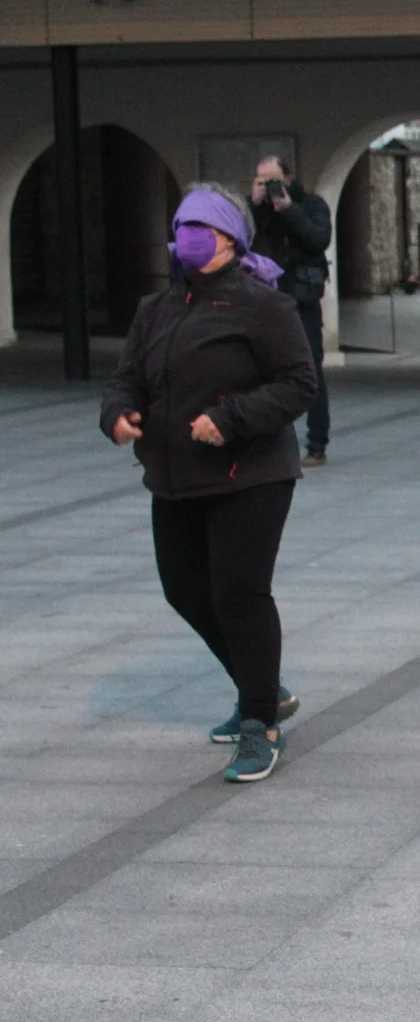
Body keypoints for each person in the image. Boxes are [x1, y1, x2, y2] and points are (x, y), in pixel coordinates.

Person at [101, 184, 318, 783]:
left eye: (206, 229)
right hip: (174, 476)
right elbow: (126, 379)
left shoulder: (264, 306)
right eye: (184, 228)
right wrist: (117, 413)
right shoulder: (157, 309)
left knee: (239, 595)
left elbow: (300, 383)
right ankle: (263, 687)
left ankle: (259, 723)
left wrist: (231, 418)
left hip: (251, 474)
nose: (191, 239)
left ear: (232, 239)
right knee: (184, 590)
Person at [249, 156, 332, 467]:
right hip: (265, 300)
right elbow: (239, 241)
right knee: (261, 370)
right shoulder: (254, 210)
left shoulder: (311, 205)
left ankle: (316, 443)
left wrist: (289, 209)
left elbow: (318, 240)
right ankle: (267, 442)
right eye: (262, 182)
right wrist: (252, 206)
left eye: (273, 181)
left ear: (288, 178)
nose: (269, 188)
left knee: (310, 368)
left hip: (301, 299)